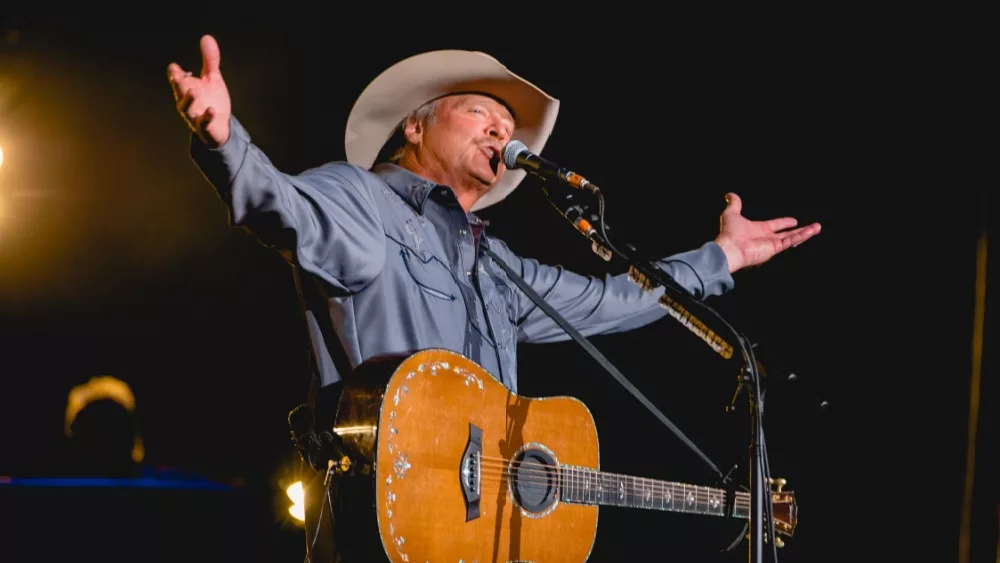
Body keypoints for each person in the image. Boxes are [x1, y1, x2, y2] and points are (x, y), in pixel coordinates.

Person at [167, 35, 821, 562]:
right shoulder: (366, 204)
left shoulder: (495, 262)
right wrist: (227, 142)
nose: (500, 130)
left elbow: (611, 300)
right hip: (390, 534)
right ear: (415, 128)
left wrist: (723, 256)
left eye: (507, 124)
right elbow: (285, 211)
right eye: (480, 112)